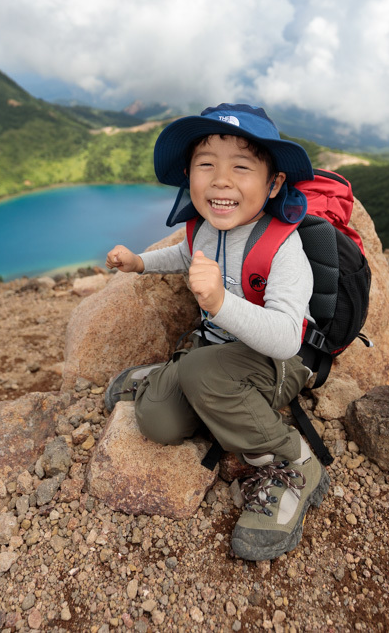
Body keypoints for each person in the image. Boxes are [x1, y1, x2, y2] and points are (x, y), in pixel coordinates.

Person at [103, 103, 327, 561]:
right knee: (158, 422)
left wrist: (221, 304)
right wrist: (141, 263)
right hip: (215, 356)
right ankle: (172, 380)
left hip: (276, 363)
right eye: (207, 165)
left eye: (241, 168)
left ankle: (293, 462)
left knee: (205, 371)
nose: (221, 180)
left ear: (274, 183)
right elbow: (186, 255)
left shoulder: (284, 246)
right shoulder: (205, 229)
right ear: (190, 175)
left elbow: (287, 337)